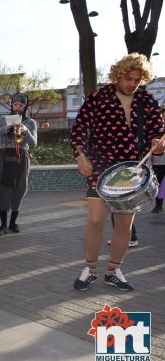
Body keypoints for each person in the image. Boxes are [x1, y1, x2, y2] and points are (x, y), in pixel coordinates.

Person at [71, 53, 165, 291]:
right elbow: (79, 129)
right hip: (101, 169)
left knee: (124, 225)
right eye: (128, 78)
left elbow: (157, 131)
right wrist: (80, 154)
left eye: (137, 79)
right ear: (117, 76)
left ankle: (113, 271)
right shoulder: (97, 99)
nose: (132, 84)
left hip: (134, 171)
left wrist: (159, 142)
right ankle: (90, 269)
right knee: (95, 220)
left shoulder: (147, 101)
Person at [0, 93, 37, 235]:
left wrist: (26, 131)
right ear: (12, 105)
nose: (18, 107)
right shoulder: (3, 119)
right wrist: (7, 127)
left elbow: (33, 144)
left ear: (25, 106)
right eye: (15, 104)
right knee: (3, 190)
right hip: (5, 156)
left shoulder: (30, 122)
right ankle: (3, 225)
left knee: (19, 190)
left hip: (22, 157)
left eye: (21, 105)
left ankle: (12, 223)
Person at [150, 107, 165, 213]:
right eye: (164, 116)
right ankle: (158, 205)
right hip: (159, 162)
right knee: (160, 184)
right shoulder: (157, 129)